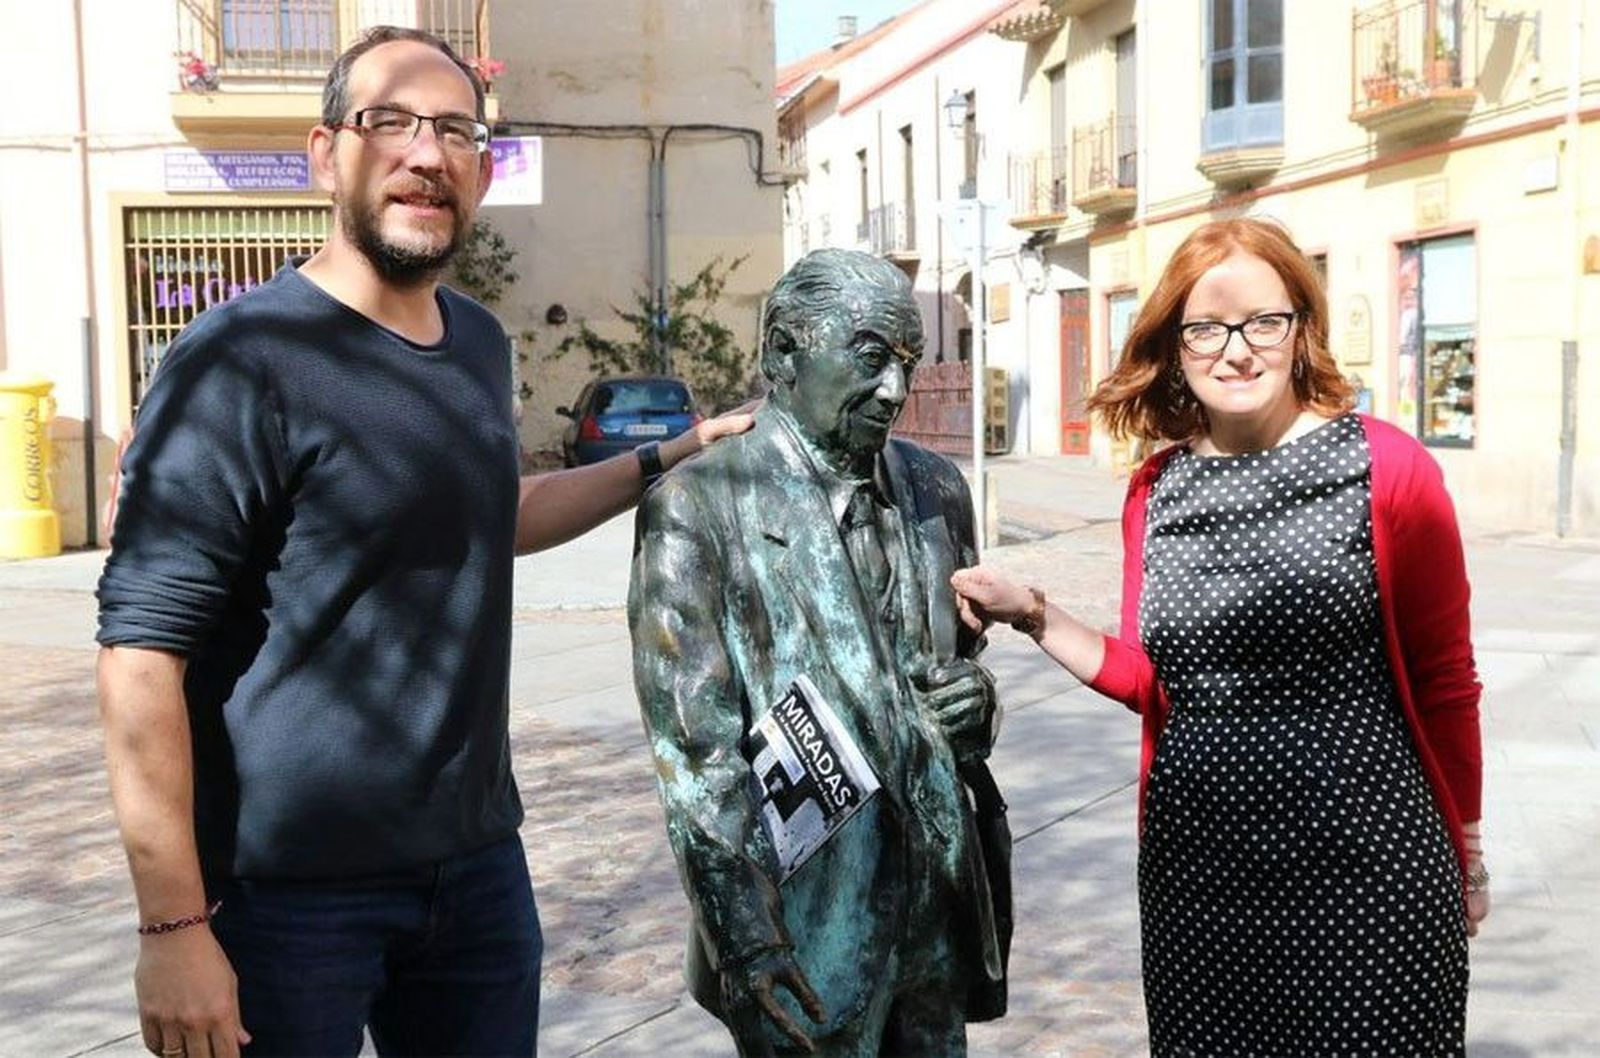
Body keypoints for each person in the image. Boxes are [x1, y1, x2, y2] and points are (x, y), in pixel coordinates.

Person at [96, 26, 751, 1058]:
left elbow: (494, 512)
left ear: (481, 171)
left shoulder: (476, 341)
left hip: (474, 868)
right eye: (390, 121)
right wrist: (172, 929)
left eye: (455, 130)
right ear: (327, 155)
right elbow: (140, 655)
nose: (426, 152)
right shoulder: (239, 360)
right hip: (284, 894)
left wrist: (669, 456)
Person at [951, 217, 1488, 1056]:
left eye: (1263, 322)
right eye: (1207, 328)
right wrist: (1032, 612)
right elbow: (1154, 681)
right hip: (1200, 879)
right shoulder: (1156, 490)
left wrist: (1468, 845)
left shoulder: (1386, 466)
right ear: (1176, 345)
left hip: (1369, 873)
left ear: (1300, 328)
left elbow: (1446, 678)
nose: (1237, 351)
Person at [629, 248, 1011, 1057]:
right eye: (871, 359)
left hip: (937, 918)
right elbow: (696, 755)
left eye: (909, 363)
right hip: (803, 932)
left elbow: (963, 665)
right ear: (782, 353)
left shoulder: (939, 490)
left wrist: (978, 704)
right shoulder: (701, 505)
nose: (896, 391)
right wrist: (748, 937)